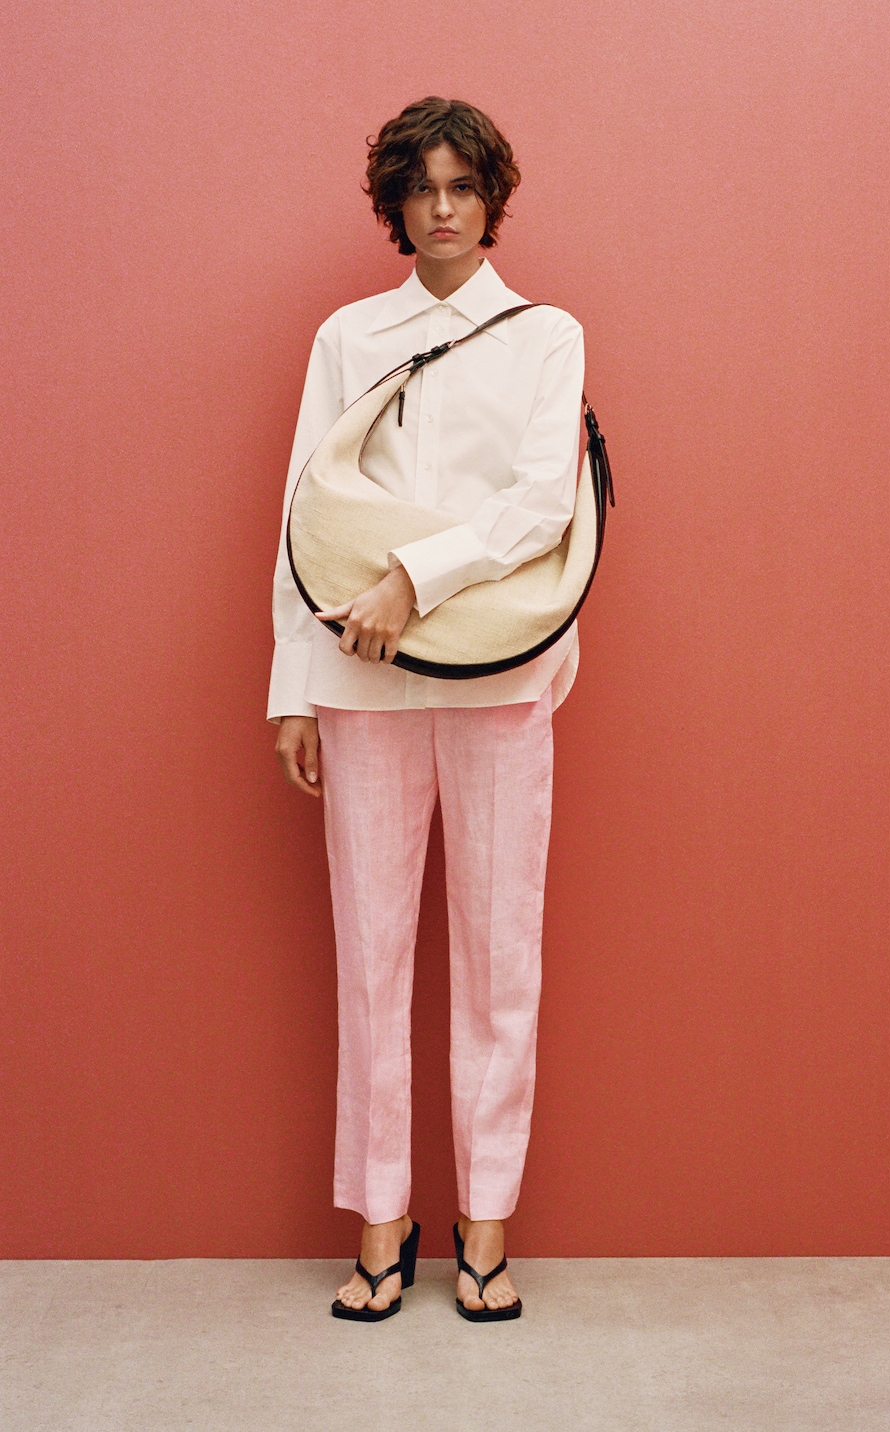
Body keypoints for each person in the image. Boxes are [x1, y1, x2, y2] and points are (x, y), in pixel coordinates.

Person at [269, 96, 585, 1322]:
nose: (442, 207)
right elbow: (304, 515)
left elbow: (541, 503)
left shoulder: (544, 335)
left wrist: (414, 576)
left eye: (461, 185)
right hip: (358, 676)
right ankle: (382, 1217)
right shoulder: (349, 336)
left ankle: (486, 1220)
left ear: (490, 197)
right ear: (395, 202)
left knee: (502, 954)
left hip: (501, 674)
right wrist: (292, 686)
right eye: (421, 186)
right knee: (371, 955)